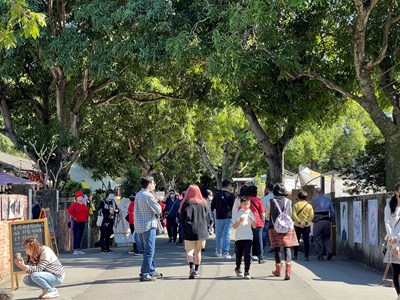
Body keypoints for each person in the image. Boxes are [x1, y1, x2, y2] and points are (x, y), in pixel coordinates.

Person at [134, 176, 162, 282]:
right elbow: (158, 209)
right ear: (149, 184)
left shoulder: (138, 194)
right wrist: (157, 200)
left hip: (139, 226)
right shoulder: (148, 195)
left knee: (146, 250)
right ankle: (144, 273)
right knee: (149, 251)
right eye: (153, 182)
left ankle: (151, 270)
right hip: (149, 225)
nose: (154, 184)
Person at [179, 184, 209, 279]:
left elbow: (182, 218)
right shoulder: (204, 203)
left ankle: (191, 268)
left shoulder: (187, 203)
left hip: (190, 229)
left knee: (189, 251)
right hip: (202, 230)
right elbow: (207, 217)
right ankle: (196, 270)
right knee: (198, 251)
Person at [269, 183, 298, 280]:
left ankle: (278, 270)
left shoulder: (271, 201)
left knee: (277, 248)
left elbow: (268, 213)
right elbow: (289, 213)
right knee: (287, 247)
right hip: (287, 227)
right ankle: (288, 271)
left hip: (274, 227)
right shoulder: (288, 201)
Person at [233, 196, 257, 279]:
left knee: (247, 254)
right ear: (241, 204)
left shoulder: (251, 213)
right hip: (239, 237)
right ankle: (238, 267)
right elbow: (234, 226)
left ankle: (247, 271)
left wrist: (253, 220)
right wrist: (240, 221)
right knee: (239, 254)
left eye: (248, 204)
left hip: (248, 236)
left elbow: (254, 226)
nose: (247, 206)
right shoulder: (238, 213)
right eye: (245, 204)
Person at [211, 179, 235, 258]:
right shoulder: (231, 195)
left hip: (218, 217)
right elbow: (233, 207)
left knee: (218, 235)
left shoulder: (216, 194)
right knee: (227, 235)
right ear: (228, 186)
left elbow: (212, 206)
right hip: (228, 216)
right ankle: (225, 252)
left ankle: (218, 251)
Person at [384, 182, 400, 298]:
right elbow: (388, 223)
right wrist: (393, 241)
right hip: (392, 241)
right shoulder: (389, 207)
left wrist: (397, 238)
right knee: (396, 272)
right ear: (396, 192)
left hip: (398, 238)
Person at [310, 187, 335, 261]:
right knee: (327, 238)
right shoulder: (328, 199)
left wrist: (311, 219)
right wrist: (331, 219)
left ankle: (320, 255)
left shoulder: (314, 200)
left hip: (318, 220)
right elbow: (332, 211)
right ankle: (329, 251)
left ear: (316, 192)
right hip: (327, 220)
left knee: (317, 238)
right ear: (322, 192)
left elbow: (310, 210)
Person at [292, 190, 314, 261]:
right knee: (306, 241)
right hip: (306, 226)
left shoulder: (296, 205)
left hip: (297, 225)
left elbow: (294, 214)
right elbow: (311, 216)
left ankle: (295, 255)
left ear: (298, 197)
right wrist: (306, 222)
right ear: (306, 197)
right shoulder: (309, 206)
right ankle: (306, 256)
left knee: (296, 241)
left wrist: (299, 222)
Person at [247, 185, 265, 264]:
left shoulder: (245, 200)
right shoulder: (258, 200)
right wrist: (263, 221)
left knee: (249, 240)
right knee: (259, 240)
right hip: (257, 222)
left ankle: (249, 257)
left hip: (247, 222)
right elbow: (262, 213)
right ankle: (261, 257)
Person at [67, 191, 89, 255]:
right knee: (76, 235)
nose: (80, 198)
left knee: (80, 235)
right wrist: (74, 216)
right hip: (77, 222)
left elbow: (86, 212)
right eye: (79, 197)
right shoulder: (75, 204)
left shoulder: (84, 205)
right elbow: (69, 210)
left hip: (83, 222)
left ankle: (79, 249)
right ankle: (75, 249)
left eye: (81, 197)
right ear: (76, 198)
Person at [261, 183, 274, 254]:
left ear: (267, 189)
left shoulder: (265, 198)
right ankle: (275, 247)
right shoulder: (277, 197)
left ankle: (262, 247)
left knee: (264, 233)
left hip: (267, 217)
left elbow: (263, 209)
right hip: (276, 219)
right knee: (274, 233)